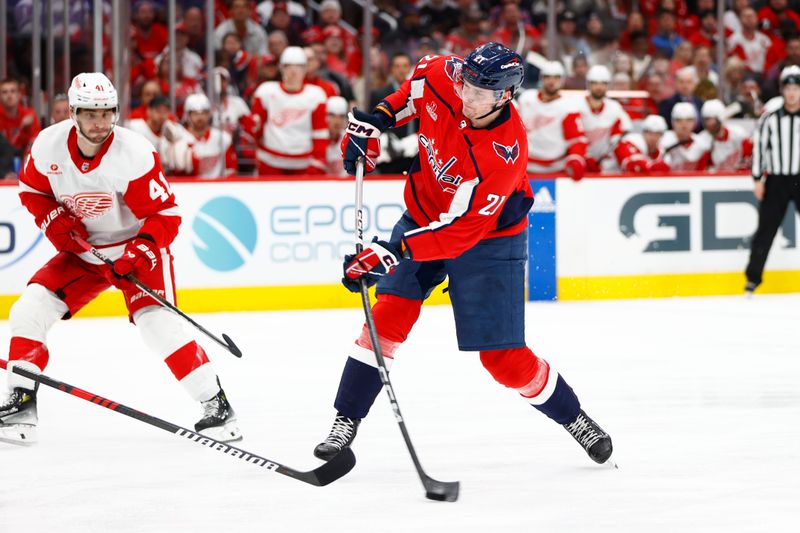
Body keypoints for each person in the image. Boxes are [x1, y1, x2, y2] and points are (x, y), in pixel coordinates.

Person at [313, 43, 614, 466]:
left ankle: (573, 417)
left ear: (504, 96)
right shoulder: (442, 74)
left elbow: (459, 232)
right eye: (465, 83)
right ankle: (345, 420)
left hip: (489, 239)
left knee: (504, 362)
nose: (465, 95)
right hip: (424, 213)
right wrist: (376, 122)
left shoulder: (504, 152)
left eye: (478, 92)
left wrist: (394, 251)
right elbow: (410, 93)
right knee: (387, 317)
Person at [0, 73, 241, 444]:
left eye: (107, 113)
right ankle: (20, 403)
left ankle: (216, 404)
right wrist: (52, 220)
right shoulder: (48, 145)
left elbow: (166, 215)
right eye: (91, 114)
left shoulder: (134, 152)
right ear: (74, 113)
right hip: (82, 253)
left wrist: (139, 253)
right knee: (29, 309)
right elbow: (32, 189)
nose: (100, 122)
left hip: (135, 251)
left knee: (157, 327)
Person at [745, 66, 800, 295]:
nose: (792, 93)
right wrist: (758, 178)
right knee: (766, 230)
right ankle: (753, 279)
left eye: (796, 88)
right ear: (781, 90)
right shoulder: (770, 118)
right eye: (788, 88)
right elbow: (760, 149)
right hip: (776, 179)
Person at [250, 46, 328, 174]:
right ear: (281, 68)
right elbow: (256, 129)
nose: (293, 71)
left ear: (305, 69)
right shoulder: (266, 92)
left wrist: (317, 163)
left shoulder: (316, 95)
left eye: (298, 66)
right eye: (288, 66)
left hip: (304, 163)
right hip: (270, 161)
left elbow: (320, 133)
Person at [516, 61, 587, 179]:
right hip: (525, 166)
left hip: (556, 168)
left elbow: (576, 139)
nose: (551, 81)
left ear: (562, 80)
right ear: (541, 78)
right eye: (547, 77)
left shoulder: (569, 106)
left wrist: (576, 158)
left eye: (556, 77)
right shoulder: (526, 99)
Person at [577, 65, 633, 172]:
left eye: (603, 83)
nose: (599, 87)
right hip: (581, 162)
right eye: (595, 83)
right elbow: (574, 138)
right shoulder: (577, 106)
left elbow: (622, 136)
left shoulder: (614, 107)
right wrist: (584, 157)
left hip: (606, 165)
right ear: (588, 84)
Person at [182, 94, 237, 178]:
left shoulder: (222, 138)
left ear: (209, 114)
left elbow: (231, 170)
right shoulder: (181, 138)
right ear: (188, 115)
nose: (200, 117)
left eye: (203, 113)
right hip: (190, 188)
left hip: (216, 188)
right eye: (195, 113)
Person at [696, 99, 752, 172]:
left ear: (720, 118)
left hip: (740, 179)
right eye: (705, 120)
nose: (707, 124)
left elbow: (749, 160)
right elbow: (702, 170)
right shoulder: (703, 139)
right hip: (718, 181)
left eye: (709, 119)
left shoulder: (738, 134)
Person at [659, 102, 709, 171]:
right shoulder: (663, 141)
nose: (684, 125)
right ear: (672, 122)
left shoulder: (701, 144)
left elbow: (702, 172)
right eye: (679, 120)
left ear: (695, 122)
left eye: (689, 120)